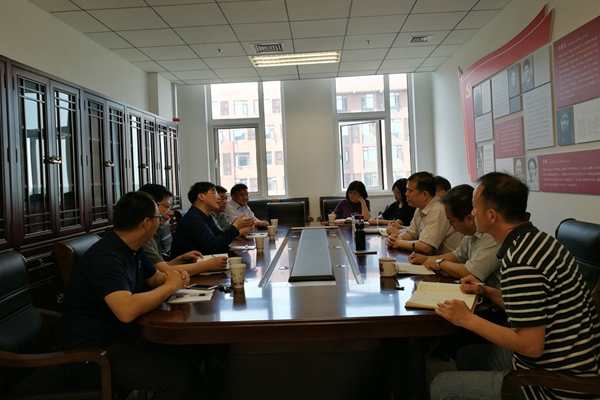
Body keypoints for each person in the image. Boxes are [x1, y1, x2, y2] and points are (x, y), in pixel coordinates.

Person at [430, 173, 600, 400]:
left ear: (491, 216)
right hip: (572, 362)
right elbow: (533, 306)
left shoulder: (521, 259)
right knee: (467, 355)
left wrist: (466, 319)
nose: (472, 213)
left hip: (559, 384)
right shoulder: (537, 239)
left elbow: (531, 346)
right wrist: (486, 291)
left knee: (440, 386)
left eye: (475, 207)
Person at [63, 191, 199, 399]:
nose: (162, 222)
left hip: (124, 336)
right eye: (158, 217)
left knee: (193, 351)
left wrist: (174, 277)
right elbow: (126, 310)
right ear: (146, 223)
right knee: (178, 375)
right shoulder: (106, 256)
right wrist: (170, 287)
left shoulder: (132, 247)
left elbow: (154, 279)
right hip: (95, 352)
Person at [408, 184, 500, 285]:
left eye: (452, 221)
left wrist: (440, 263)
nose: (451, 226)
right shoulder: (471, 233)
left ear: (469, 218)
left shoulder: (492, 235)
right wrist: (427, 259)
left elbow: (470, 272)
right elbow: (457, 255)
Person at [140, 183, 227, 275]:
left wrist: (179, 259)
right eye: (166, 206)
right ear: (152, 206)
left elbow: (159, 267)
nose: (170, 213)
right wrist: (207, 265)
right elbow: (162, 271)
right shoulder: (143, 237)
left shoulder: (153, 234)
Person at [387, 171, 462, 254]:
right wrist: (396, 238)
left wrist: (399, 243)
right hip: (431, 257)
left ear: (424, 194)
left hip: (447, 259)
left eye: (410, 191)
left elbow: (426, 247)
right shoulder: (420, 207)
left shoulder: (438, 209)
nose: (406, 194)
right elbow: (411, 233)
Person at [171, 182, 254, 256]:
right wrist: (235, 226)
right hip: (189, 266)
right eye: (214, 193)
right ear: (201, 196)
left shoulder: (206, 216)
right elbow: (214, 247)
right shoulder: (193, 218)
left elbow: (220, 237)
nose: (219, 198)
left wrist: (237, 231)